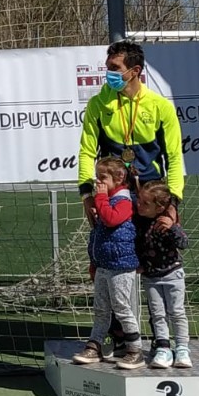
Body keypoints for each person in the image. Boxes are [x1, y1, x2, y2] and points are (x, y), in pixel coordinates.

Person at [74, 38, 185, 366]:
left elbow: (174, 158)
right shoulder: (99, 104)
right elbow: (86, 151)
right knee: (109, 264)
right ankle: (117, 337)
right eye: (107, 67)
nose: (107, 73)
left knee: (155, 267)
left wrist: (172, 204)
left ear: (134, 71)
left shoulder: (160, 107)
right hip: (115, 197)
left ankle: (165, 342)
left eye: (114, 68)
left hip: (151, 199)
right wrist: (88, 194)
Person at [75, 157, 142, 367]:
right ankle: (94, 345)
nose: (98, 182)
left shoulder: (124, 201)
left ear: (119, 177)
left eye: (102, 177)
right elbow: (98, 234)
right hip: (103, 266)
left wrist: (101, 198)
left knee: (121, 307)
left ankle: (135, 350)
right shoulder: (106, 200)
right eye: (96, 177)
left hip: (120, 267)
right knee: (101, 309)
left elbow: (112, 219)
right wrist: (94, 262)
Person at [136, 180, 193, 368]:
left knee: (176, 312)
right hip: (151, 277)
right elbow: (139, 246)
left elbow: (183, 243)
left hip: (172, 274)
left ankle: (182, 348)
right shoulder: (140, 223)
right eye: (139, 201)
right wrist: (140, 264)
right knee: (157, 314)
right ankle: (163, 348)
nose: (139, 205)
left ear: (159, 207)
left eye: (145, 203)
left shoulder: (166, 222)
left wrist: (173, 227)